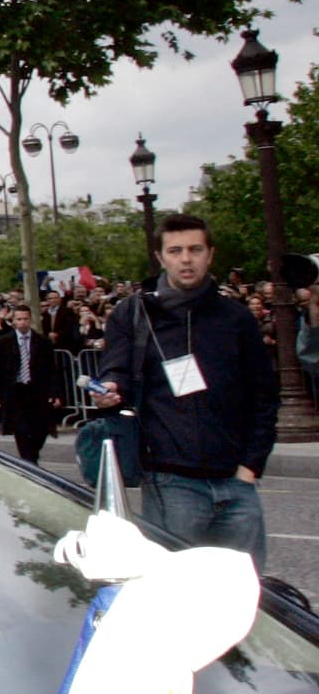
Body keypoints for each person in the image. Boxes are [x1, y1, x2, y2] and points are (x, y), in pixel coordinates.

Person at [93, 214, 278, 568]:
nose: (186, 259)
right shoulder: (133, 314)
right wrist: (111, 388)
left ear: (211, 254)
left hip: (236, 482)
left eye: (195, 249)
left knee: (243, 598)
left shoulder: (236, 318)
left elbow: (264, 396)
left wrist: (250, 467)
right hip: (171, 482)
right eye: (175, 251)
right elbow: (115, 369)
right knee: (175, 596)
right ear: (161, 257)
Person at [0, 305, 62, 464]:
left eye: (25, 319)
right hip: (15, 390)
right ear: (13, 321)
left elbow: (52, 369)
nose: (22, 323)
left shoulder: (42, 341)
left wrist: (55, 393)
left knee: (40, 429)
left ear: (31, 320)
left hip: (37, 391)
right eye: (19, 319)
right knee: (20, 428)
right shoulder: (5, 341)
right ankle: (28, 461)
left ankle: (32, 455)